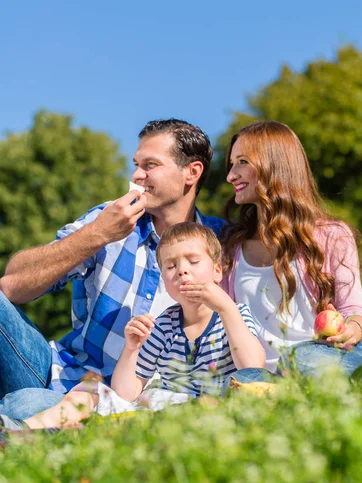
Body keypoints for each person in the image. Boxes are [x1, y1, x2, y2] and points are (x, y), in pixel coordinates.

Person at [0, 119, 225, 421]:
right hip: (65, 377)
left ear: (191, 172)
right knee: (29, 401)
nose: (136, 175)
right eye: (136, 164)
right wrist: (97, 234)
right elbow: (12, 285)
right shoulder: (109, 219)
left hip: (140, 401)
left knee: (24, 406)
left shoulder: (222, 242)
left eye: (150, 165)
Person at [220, 120, 362, 377]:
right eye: (232, 164)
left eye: (243, 162)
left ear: (275, 165)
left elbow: (353, 310)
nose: (231, 175)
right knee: (244, 377)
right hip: (261, 372)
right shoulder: (230, 247)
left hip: (319, 359)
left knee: (303, 357)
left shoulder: (331, 236)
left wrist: (351, 330)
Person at [111, 222, 266, 403]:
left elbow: (253, 369)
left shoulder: (234, 314)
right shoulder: (163, 327)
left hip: (225, 409)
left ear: (217, 271)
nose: (182, 271)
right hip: (177, 414)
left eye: (193, 261)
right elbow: (125, 395)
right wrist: (131, 349)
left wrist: (226, 308)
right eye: (170, 266)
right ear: (164, 280)